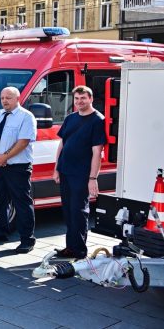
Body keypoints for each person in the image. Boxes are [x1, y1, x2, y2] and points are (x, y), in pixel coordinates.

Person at [53, 86, 106, 259]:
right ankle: (70, 247)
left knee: (79, 211)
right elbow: (62, 144)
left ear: (91, 99)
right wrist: (56, 168)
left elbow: (97, 152)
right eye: (76, 99)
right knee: (68, 211)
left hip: (81, 174)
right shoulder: (70, 118)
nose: (79, 102)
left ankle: (80, 251)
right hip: (65, 171)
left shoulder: (97, 120)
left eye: (83, 98)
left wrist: (93, 178)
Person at [0, 87, 37, 254]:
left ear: (18, 99)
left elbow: (23, 142)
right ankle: (1, 232)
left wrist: (4, 156)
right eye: (2, 98)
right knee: (1, 200)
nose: (5, 100)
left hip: (18, 167)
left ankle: (27, 240)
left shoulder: (26, 117)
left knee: (22, 203)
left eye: (8, 98)